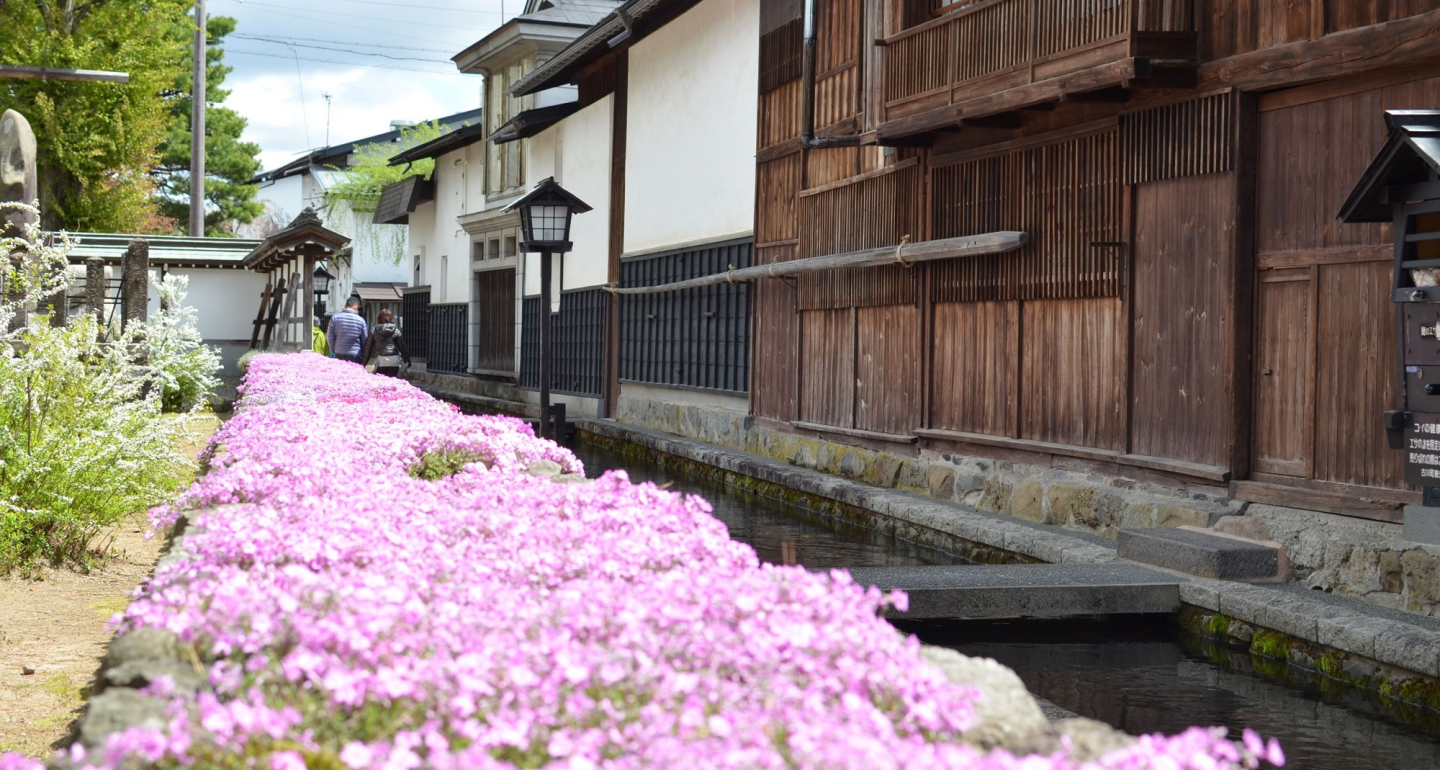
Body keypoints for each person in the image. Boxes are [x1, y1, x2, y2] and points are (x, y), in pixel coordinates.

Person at [361, 309, 410, 377]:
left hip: (379, 362)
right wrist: (407, 360)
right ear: (391, 318)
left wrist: (363, 364)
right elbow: (402, 347)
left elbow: (368, 349)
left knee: (380, 383)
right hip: (394, 361)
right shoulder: (396, 330)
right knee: (391, 382)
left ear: (379, 319)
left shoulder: (374, 330)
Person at [327, 297, 369, 364]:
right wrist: (363, 353)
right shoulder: (361, 321)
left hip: (339, 352)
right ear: (355, 308)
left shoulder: (335, 318)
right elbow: (365, 340)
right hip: (355, 354)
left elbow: (329, 337)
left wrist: (334, 349)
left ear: (345, 306)